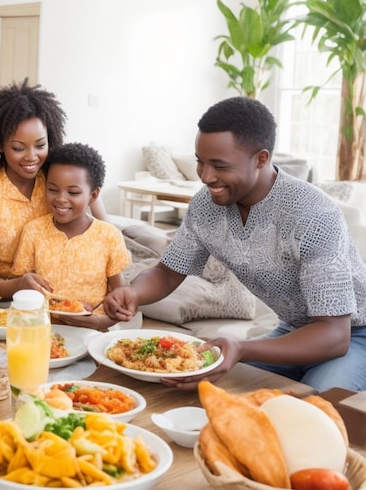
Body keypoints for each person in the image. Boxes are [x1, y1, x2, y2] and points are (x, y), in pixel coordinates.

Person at [104, 96, 366, 392]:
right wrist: (133, 293)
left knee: (317, 407)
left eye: (219, 166)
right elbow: (167, 273)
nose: (205, 176)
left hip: (354, 337)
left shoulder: (312, 213)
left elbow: (334, 335)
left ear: (261, 159)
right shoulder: (206, 205)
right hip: (294, 331)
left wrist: (242, 348)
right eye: (200, 162)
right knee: (204, 383)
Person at [0, 79, 107, 299]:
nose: (31, 157)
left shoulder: (56, 176)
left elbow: (104, 230)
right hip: (10, 287)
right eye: (18, 148)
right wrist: (17, 286)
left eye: (40, 145)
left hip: (63, 280)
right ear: (0, 146)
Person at [11, 142, 130, 331]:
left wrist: (101, 322)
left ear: (93, 195)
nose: (61, 198)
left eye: (73, 192)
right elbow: (21, 286)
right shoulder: (33, 231)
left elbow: (121, 297)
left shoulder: (108, 236)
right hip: (40, 327)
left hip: (93, 329)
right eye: (52, 189)